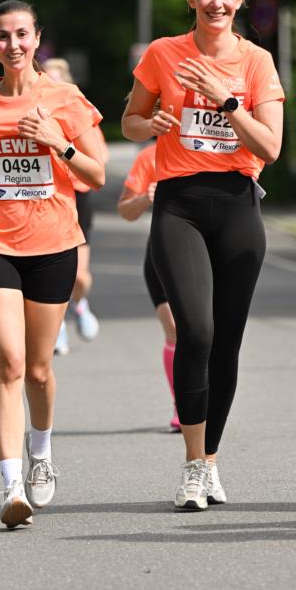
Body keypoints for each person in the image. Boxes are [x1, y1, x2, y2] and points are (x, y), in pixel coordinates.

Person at [122, 0, 284, 510]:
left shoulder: (257, 61)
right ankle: (192, 466)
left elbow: (271, 147)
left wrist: (226, 100)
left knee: (227, 344)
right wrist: (152, 124)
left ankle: (211, 461)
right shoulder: (164, 53)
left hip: (238, 206)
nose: (216, 3)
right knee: (196, 330)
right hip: (180, 206)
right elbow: (130, 120)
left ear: (239, 1)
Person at [0, 0, 105, 528]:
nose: (12, 45)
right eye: (1, 36)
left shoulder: (64, 98)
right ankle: (12, 484)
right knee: (9, 362)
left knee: (39, 369)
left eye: (21, 34)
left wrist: (58, 145)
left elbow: (96, 175)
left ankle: (40, 453)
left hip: (54, 243)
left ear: (37, 38)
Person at [44, 57, 107, 353]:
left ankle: (79, 304)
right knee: (49, 273)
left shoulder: (80, 114)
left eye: (56, 79)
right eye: (46, 79)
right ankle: (56, 330)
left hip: (78, 198)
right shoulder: (34, 117)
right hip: (46, 200)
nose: (51, 85)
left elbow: (100, 161)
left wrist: (68, 154)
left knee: (79, 276)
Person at [118, 139, 180, 432]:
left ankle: (207, 395)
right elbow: (126, 211)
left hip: (209, 253)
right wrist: (146, 198)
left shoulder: (210, 146)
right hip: (163, 252)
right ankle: (182, 404)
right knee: (175, 330)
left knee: (206, 331)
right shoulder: (149, 157)